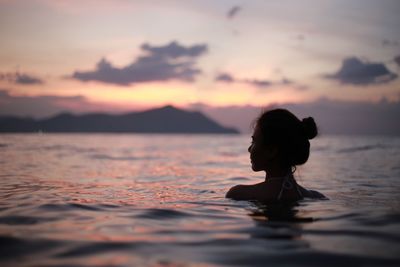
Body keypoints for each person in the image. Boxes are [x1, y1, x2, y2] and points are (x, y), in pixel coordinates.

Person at [226, 108, 326, 202]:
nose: (249, 149)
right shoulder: (317, 197)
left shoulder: (238, 194)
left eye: (254, 141)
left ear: (271, 151)